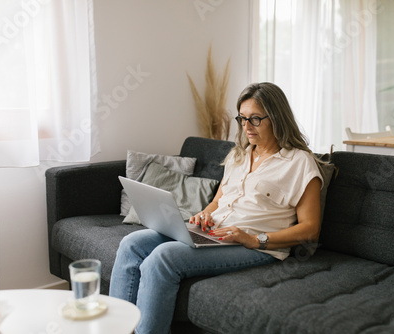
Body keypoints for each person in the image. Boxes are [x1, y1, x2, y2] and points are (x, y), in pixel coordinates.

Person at [109, 82, 324, 334]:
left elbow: (310, 230)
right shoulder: (239, 155)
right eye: (242, 119)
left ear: (277, 117)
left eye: (255, 119)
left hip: (254, 246)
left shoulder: (299, 162)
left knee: (163, 258)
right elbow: (218, 201)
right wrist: (204, 214)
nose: (246, 127)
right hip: (215, 234)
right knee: (132, 244)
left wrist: (255, 240)